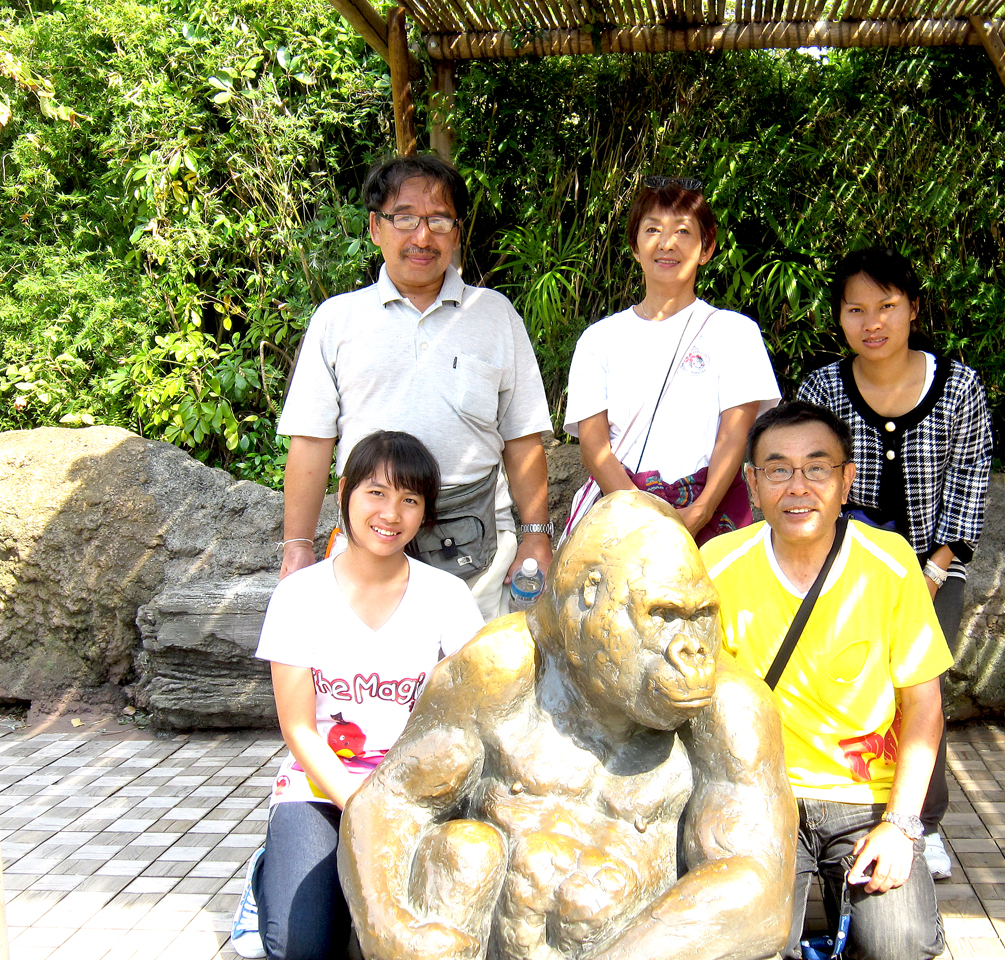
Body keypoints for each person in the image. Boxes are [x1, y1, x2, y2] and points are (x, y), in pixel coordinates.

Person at [337, 491, 798, 960]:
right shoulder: (501, 668)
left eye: (700, 617)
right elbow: (388, 801)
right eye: (663, 615)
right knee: (461, 851)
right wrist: (392, 928)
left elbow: (757, 887)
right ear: (589, 596)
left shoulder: (729, 706)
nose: (691, 649)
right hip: (487, 942)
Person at [702, 402, 953, 960]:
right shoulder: (717, 564)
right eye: (778, 469)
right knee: (744, 946)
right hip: (759, 796)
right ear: (753, 484)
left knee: (897, 946)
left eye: (817, 468)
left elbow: (925, 706)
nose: (798, 486)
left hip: (865, 797)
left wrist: (901, 826)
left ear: (846, 480)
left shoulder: (889, 563)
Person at [231, 431, 484, 960]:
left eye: (410, 499)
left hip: (417, 789)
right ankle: (268, 875)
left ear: (425, 513)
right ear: (345, 490)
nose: (391, 513)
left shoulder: (447, 596)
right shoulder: (299, 596)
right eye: (376, 493)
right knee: (302, 948)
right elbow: (299, 728)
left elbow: (474, 708)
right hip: (323, 788)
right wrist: (360, 806)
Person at [276, 154, 554, 620]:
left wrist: (536, 536)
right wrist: (298, 547)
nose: (423, 237)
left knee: (477, 665)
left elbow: (522, 438)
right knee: (368, 662)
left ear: (457, 232)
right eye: (404, 218)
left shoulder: (495, 315)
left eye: (439, 221)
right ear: (375, 227)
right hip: (366, 550)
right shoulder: (337, 319)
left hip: (480, 556)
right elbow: (311, 442)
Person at [796, 247, 993, 879]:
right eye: (855, 310)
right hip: (840, 571)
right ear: (839, 317)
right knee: (849, 687)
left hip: (936, 567)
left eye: (886, 306)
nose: (872, 322)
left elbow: (969, 483)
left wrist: (931, 571)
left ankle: (920, 823)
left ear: (913, 308)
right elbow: (809, 476)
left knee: (920, 692)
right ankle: (844, 813)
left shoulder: (959, 387)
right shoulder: (822, 389)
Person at [562, 176, 779, 545]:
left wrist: (700, 511)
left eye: (683, 231)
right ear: (635, 246)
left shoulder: (735, 333)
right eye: (652, 230)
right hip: (622, 517)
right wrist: (642, 516)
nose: (667, 243)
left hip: (712, 515)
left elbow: (733, 436)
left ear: (706, 248)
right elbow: (593, 445)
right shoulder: (599, 339)